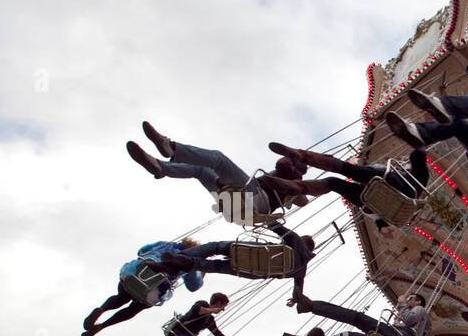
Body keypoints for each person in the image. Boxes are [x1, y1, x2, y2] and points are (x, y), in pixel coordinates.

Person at [125, 121, 310, 217]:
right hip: (239, 204)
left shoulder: (293, 179)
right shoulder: (283, 179)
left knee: (219, 160)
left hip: (254, 199)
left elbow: (301, 197)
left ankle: (172, 148)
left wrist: (297, 183)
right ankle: (160, 167)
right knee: (200, 171)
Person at [265, 141, 432, 226]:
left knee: (348, 169)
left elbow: (418, 155)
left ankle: (301, 156)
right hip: (373, 204)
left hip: (390, 186)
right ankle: (295, 187)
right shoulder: (409, 179)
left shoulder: (419, 175)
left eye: (404, 162)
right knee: (333, 183)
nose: (402, 162)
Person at [158, 221, 317, 300]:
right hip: (254, 271)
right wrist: (295, 300)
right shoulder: (301, 271)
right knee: (216, 266)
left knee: (217, 247)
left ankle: (183, 256)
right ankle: (185, 264)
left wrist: (258, 216)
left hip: (252, 252)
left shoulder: (295, 240)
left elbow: (275, 226)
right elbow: (298, 291)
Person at [81, 238, 204, 336]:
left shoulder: (166, 244)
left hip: (134, 273)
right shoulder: (189, 262)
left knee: (122, 297)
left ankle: (101, 309)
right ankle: (102, 326)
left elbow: (141, 251)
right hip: (153, 290)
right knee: (134, 308)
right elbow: (193, 286)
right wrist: (201, 272)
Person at [294, 292, 431, 336]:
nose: (407, 301)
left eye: (410, 298)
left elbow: (409, 319)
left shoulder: (420, 309)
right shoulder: (418, 323)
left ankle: (312, 306)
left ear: (418, 301)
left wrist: (401, 303)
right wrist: (396, 321)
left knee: (356, 317)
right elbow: (408, 323)